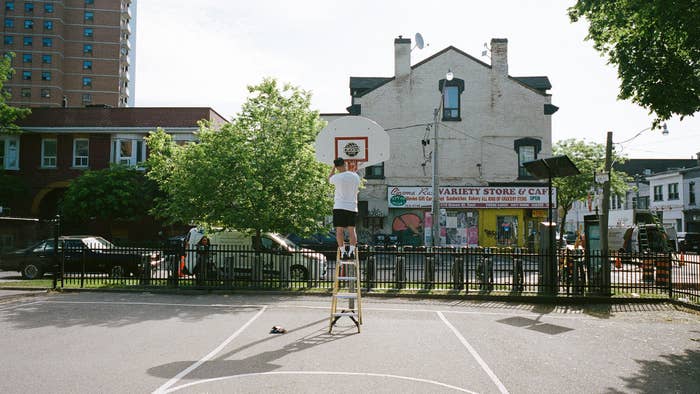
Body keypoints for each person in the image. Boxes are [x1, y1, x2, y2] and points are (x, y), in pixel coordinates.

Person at [329, 157, 361, 260]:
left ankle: (343, 252)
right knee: (352, 230)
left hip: (339, 206)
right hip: (352, 207)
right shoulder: (356, 176)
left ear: (337, 167)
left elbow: (329, 178)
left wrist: (333, 168)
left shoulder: (336, 177)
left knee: (339, 230)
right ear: (345, 164)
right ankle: (351, 251)